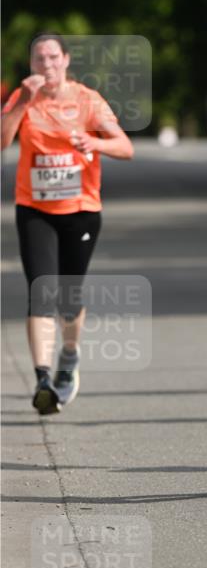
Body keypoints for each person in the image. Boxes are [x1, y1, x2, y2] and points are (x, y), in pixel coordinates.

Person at [1, 33, 134, 414]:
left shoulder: (87, 100)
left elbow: (125, 147)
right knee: (40, 290)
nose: (47, 66)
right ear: (32, 66)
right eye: (39, 59)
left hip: (80, 210)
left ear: (66, 60)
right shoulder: (23, 99)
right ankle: (42, 377)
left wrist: (96, 145)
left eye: (53, 58)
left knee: (68, 298)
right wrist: (21, 102)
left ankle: (69, 356)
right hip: (35, 209)